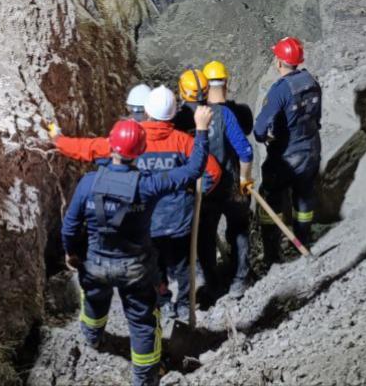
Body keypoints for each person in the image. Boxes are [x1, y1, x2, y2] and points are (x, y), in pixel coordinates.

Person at [60, 111, 214, 386]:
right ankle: (144, 379)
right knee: (142, 323)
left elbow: (70, 226)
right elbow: (194, 170)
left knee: (94, 304)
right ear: (141, 151)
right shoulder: (148, 185)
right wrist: (201, 130)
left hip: (96, 265)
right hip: (135, 269)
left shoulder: (88, 184)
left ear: (111, 146)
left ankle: (93, 339)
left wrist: (71, 252)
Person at [54, 87, 222, 324]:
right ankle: (183, 305)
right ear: (173, 114)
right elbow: (212, 172)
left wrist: (59, 141)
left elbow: (88, 148)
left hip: (144, 222)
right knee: (183, 264)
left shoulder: (132, 138)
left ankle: (161, 302)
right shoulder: (184, 141)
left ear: (145, 111)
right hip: (178, 221)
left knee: (153, 264)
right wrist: (193, 194)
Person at [187, 62, 255, 298]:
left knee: (205, 235)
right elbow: (245, 152)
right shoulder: (224, 114)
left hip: (205, 189)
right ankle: (240, 280)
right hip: (232, 186)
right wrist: (245, 180)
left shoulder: (191, 117)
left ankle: (211, 283)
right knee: (238, 230)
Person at [254, 37, 322, 260]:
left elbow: (260, 129)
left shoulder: (280, 90)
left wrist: (265, 136)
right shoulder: (311, 81)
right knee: (304, 197)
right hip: (311, 149)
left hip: (286, 154)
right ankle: (303, 241)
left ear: (279, 62)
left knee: (270, 198)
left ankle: (272, 254)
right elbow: (316, 118)